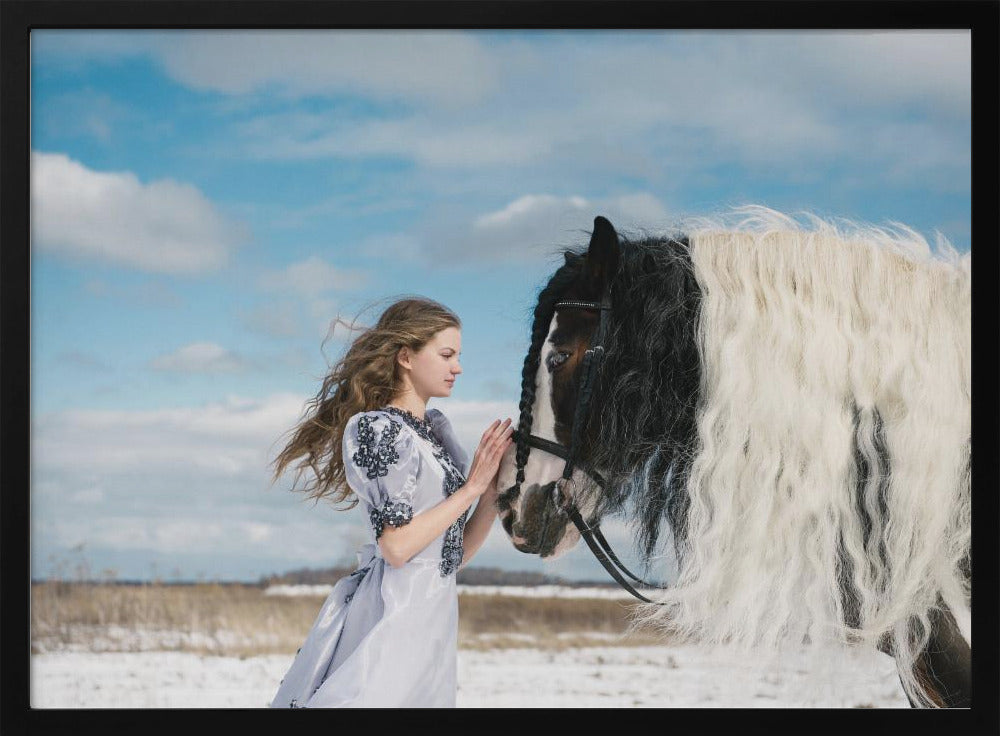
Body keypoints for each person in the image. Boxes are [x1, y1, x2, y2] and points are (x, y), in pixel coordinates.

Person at [267, 297, 513, 708]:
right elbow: (396, 548)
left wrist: (490, 492)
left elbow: (450, 557)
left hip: (434, 618)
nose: (458, 367)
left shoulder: (434, 434)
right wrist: (470, 490)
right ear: (406, 357)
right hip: (394, 614)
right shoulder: (379, 429)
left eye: (459, 356)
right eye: (447, 354)